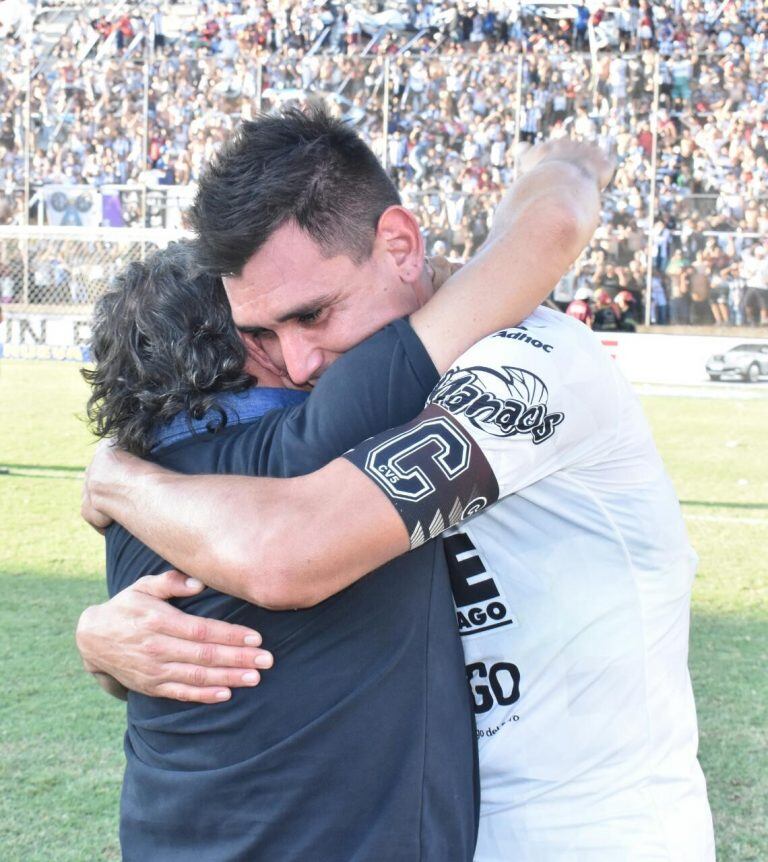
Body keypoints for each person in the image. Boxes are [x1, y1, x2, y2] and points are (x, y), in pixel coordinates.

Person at [81, 109, 714, 859]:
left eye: (313, 314)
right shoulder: (336, 405)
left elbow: (287, 551)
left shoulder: (530, 365)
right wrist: (105, 642)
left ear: (401, 246)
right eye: (262, 336)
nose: (300, 362)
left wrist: (115, 475)